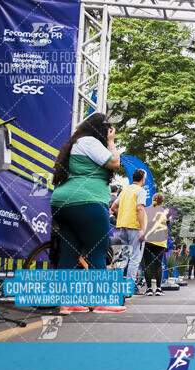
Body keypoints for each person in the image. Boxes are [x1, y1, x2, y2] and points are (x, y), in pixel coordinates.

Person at [50, 113, 125, 314]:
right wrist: (111, 142)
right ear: (102, 129)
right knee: (98, 251)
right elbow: (114, 162)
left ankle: (66, 302)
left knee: (69, 252)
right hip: (87, 201)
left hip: (63, 202)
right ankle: (100, 301)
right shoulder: (90, 141)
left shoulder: (77, 143)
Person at [111, 169, 147, 292]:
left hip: (123, 226)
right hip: (135, 227)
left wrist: (122, 216)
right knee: (135, 258)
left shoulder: (124, 191)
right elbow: (140, 209)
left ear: (133, 179)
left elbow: (113, 207)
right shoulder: (141, 191)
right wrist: (143, 229)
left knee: (124, 257)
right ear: (143, 179)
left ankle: (117, 285)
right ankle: (129, 287)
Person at [143, 193, 168, 296]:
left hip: (147, 240)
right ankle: (158, 289)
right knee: (158, 265)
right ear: (162, 202)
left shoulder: (145, 210)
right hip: (160, 241)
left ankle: (149, 289)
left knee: (147, 265)